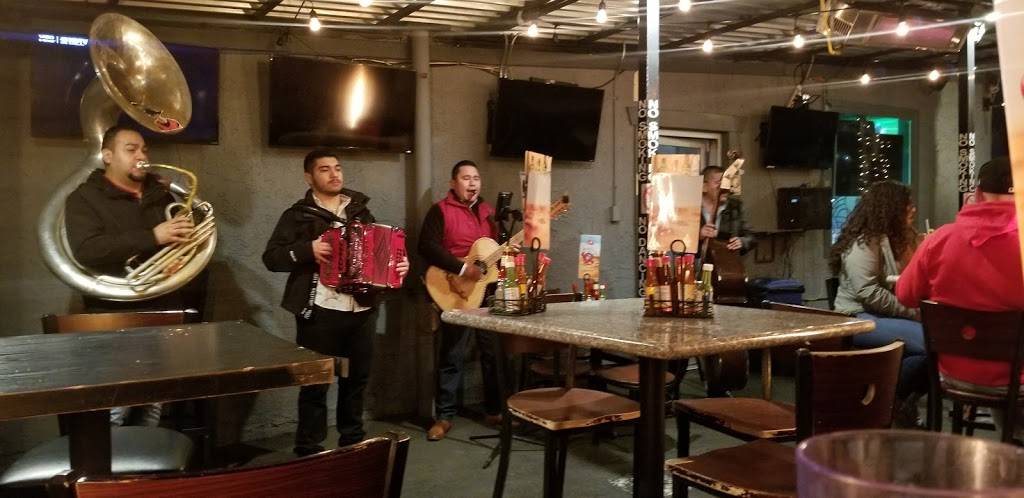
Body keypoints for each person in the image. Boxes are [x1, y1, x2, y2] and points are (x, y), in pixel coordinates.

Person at [262, 149, 409, 456]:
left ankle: (351, 444)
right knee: (315, 383)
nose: (334, 174)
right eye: (325, 169)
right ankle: (309, 449)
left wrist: (398, 265)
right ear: (309, 177)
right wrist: (308, 250)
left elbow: (381, 253)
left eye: (338, 168)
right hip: (320, 310)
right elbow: (272, 258)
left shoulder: (361, 212)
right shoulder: (298, 215)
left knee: (356, 380)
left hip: (362, 308)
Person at [65, 124, 200, 427]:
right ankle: (107, 458)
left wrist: (177, 260)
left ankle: (145, 456)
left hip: (163, 308)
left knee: (153, 403)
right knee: (117, 407)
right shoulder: (84, 198)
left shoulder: (160, 194)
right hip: (114, 314)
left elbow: (177, 243)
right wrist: (153, 236)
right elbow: (88, 250)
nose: (142, 156)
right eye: (131, 150)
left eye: (144, 150)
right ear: (107, 156)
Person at [896, 158, 1024, 436]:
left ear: (977, 194)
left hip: (953, 376)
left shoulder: (938, 239)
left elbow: (905, 294)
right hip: (1016, 382)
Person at [419, 160, 502, 441]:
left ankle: (494, 410)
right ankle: (444, 417)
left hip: (485, 292)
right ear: (453, 183)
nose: (472, 183)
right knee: (452, 353)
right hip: (453, 289)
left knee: (492, 352)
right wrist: (463, 269)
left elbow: (494, 252)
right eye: (466, 178)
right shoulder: (439, 211)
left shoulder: (489, 213)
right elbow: (427, 246)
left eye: (476, 178)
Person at [831, 180, 926, 425]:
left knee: (937, 344)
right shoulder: (864, 242)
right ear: (890, 208)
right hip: (857, 317)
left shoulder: (903, 238)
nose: (913, 209)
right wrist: (912, 312)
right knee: (932, 343)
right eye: (907, 204)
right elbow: (868, 292)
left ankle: (892, 401)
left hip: (887, 316)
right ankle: (890, 401)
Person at [698, 165, 755, 255]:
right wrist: (699, 235)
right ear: (704, 186)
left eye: (726, 183)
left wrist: (742, 242)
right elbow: (680, 238)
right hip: (694, 261)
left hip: (727, 260)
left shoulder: (736, 207)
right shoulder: (691, 207)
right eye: (718, 183)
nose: (725, 188)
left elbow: (751, 237)